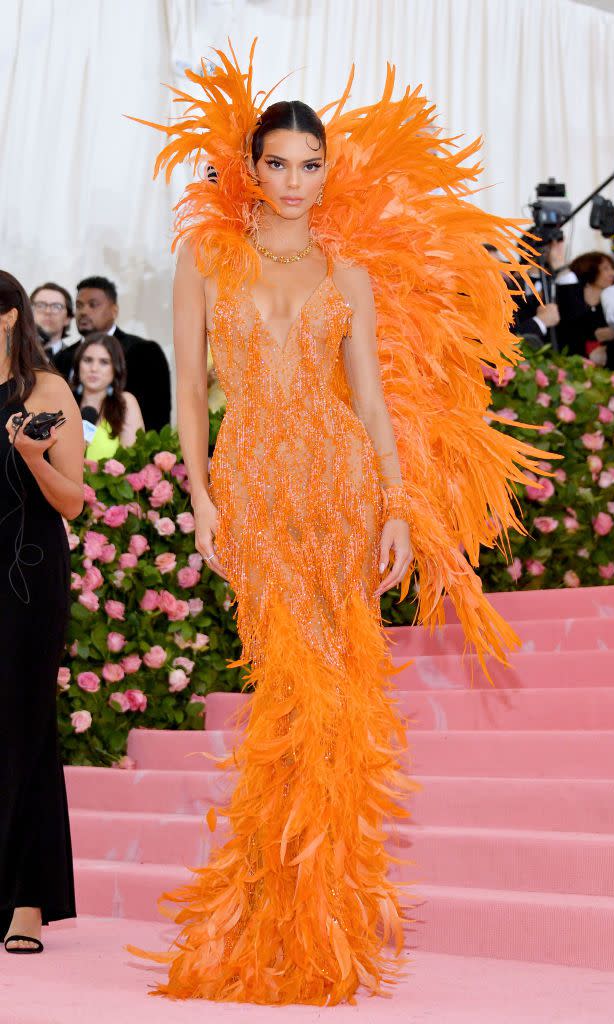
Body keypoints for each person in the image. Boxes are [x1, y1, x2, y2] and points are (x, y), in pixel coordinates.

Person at [125, 44, 547, 1005]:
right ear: (249, 165)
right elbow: (189, 391)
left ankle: (318, 926)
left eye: (308, 165)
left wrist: (397, 504)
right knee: (290, 688)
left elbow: (370, 401)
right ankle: (271, 916)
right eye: (275, 163)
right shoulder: (205, 257)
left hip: (342, 484)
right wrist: (197, 494)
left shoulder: (344, 270)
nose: (291, 182)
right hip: (254, 485)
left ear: (327, 172)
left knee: (340, 692)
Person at [0, 270, 83, 953]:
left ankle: (28, 900)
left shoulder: (45, 391)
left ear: (7, 317)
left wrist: (31, 457)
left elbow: (72, 501)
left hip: (25, 574)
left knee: (24, 723)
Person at [58, 276, 171, 431]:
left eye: (93, 305)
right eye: (79, 306)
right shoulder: (63, 357)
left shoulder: (144, 351)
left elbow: (157, 416)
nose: (84, 312)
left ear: (114, 310)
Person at [71, 332, 145, 459]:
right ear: (78, 365)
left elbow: (133, 463)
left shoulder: (125, 403)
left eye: (104, 362)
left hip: (112, 479)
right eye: (88, 360)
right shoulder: (65, 401)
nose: (94, 368)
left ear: (115, 368)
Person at [554, 251, 614, 356]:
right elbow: (569, 327)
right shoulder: (570, 294)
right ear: (589, 269)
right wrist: (594, 335)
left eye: (612, 269)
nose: (613, 274)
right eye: (606, 268)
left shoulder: (607, 301)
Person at [29, 282, 74, 371]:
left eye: (56, 307)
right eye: (40, 305)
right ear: (29, 313)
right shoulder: (12, 354)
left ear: (68, 318)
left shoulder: (75, 358)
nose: (48, 311)